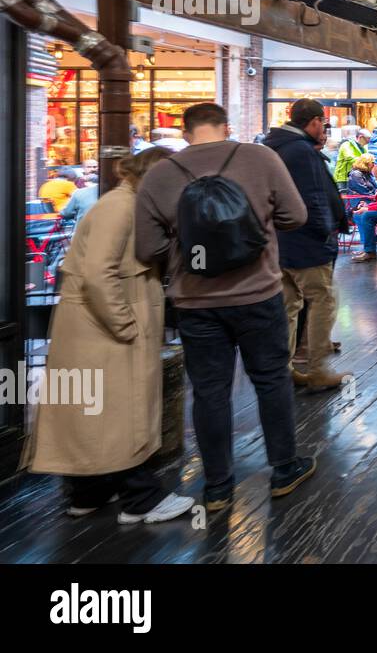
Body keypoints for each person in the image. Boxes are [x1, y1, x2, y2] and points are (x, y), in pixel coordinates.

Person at [135, 102, 315, 512]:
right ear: (226, 127)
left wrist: (188, 246)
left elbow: (147, 247)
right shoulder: (258, 157)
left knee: (210, 391)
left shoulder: (161, 173)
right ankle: (285, 468)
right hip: (257, 293)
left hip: (195, 301)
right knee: (271, 379)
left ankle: (217, 486)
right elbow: (296, 215)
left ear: (186, 132)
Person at [26, 147, 194, 525]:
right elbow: (99, 274)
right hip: (103, 329)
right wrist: (125, 325)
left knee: (94, 412)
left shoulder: (120, 203)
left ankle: (90, 492)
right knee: (121, 413)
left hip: (94, 327)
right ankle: (142, 499)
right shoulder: (120, 208)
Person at [264, 99, 351, 393]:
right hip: (305, 242)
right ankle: (318, 370)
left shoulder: (273, 146)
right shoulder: (300, 151)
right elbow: (312, 198)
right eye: (322, 124)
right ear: (313, 121)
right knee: (322, 301)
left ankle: (285, 369)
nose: (323, 130)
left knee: (288, 306)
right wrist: (324, 231)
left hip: (280, 242)